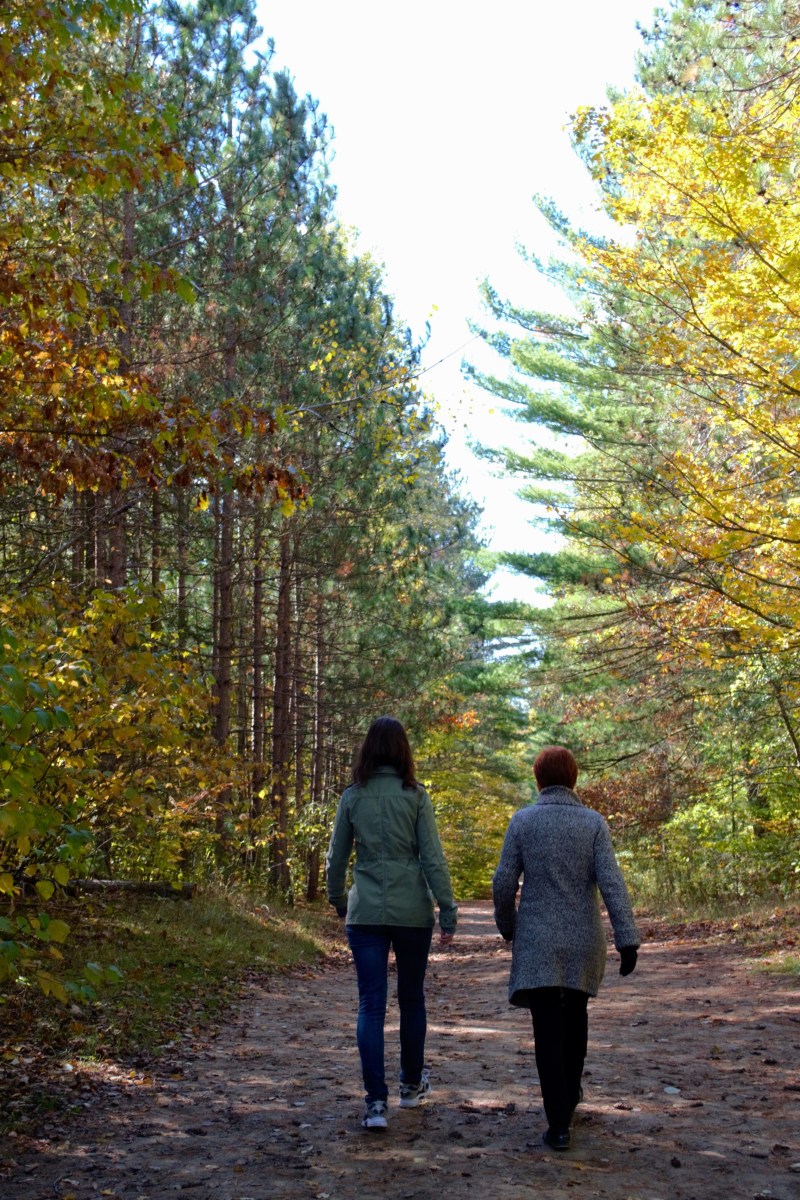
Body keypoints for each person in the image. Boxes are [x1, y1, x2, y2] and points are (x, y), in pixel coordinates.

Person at [492, 745, 639, 1152]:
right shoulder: (593, 823)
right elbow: (612, 882)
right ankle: (569, 1098)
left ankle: (558, 1122)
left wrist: (508, 926)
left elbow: (503, 881)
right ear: (574, 778)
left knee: (545, 1029)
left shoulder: (522, 821)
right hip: (582, 940)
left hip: (537, 940)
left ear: (538, 779)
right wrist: (626, 938)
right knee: (575, 1017)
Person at [326, 715, 458, 1131]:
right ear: (403, 750)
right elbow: (432, 857)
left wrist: (337, 900)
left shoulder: (353, 796)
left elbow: (336, 857)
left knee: (370, 1004)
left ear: (368, 749)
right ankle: (410, 1088)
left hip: (365, 910)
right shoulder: (415, 796)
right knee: (412, 999)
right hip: (411, 912)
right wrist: (447, 910)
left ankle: (375, 1103)